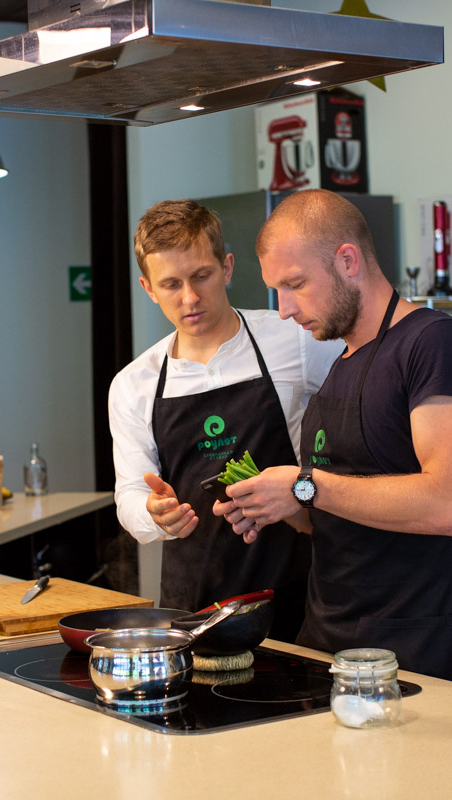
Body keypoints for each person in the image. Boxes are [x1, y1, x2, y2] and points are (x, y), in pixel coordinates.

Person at [216, 189, 452, 684]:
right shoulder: (340, 364)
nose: (284, 309)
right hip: (330, 643)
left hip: (416, 651)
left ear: (347, 260)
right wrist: (282, 505)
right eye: (276, 291)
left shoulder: (437, 344)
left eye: (295, 285)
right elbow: (340, 512)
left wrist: (304, 487)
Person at [108, 199, 343, 639]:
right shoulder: (133, 384)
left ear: (228, 267)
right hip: (195, 602)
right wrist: (153, 514)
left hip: (298, 590)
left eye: (202, 276)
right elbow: (129, 495)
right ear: (148, 288)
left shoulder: (294, 339)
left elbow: (363, 412)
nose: (190, 298)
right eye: (171, 284)